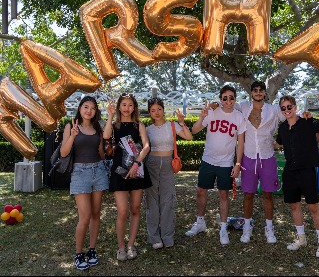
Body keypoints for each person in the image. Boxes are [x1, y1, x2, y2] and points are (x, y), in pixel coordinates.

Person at [274, 92, 319, 258]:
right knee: (294, 205)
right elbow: (278, 143)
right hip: (290, 171)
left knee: (313, 206)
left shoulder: (308, 121)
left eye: (289, 107)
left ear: (295, 107)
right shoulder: (282, 127)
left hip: (306, 169)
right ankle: (301, 239)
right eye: (283, 108)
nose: (287, 110)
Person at [185, 85, 246, 245]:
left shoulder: (239, 117)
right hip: (208, 160)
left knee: (224, 194)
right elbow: (195, 130)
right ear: (220, 99)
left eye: (231, 97)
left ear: (235, 98)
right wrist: (202, 116)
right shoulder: (212, 112)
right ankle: (200, 222)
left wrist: (238, 163)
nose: (228, 101)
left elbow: (241, 143)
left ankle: (224, 228)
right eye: (224, 98)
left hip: (226, 163)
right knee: (200, 190)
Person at [60, 96, 109, 271]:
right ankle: (78, 253)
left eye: (93, 108)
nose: (89, 110)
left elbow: (101, 152)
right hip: (80, 173)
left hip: (99, 172)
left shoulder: (97, 127)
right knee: (85, 216)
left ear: (96, 111)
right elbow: (64, 153)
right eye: (86, 107)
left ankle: (92, 250)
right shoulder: (70, 125)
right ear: (80, 108)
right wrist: (73, 136)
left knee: (96, 214)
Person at [103, 93, 152, 261]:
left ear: (134, 107)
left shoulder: (139, 125)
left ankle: (131, 245)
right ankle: (121, 247)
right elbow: (106, 136)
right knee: (123, 211)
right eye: (123, 104)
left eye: (130, 105)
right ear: (119, 107)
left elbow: (146, 146)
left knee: (135, 209)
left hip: (137, 170)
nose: (127, 108)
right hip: (119, 172)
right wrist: (110, 116)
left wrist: (137, 163)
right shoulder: (115, 125)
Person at [232, 81, 283, 244]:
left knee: (268, 194)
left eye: (261, 90)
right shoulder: (243, 107)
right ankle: (247, 228)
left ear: (265, 93)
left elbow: (289, 115)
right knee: (248, 194)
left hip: (267, 156)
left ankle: (269, 229)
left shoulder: (273, 109)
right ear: (251, 93)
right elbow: (227, 106)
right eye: (255, 90)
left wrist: (305, 115)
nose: (258, 93)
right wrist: (214, 105)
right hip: (248, 156)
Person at [145, 98, 193, 249]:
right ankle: (154, 237)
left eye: (159, 109)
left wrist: (181, 122)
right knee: (151, 201)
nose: (156, 113)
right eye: (153, 110)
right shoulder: (147, 129)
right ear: (150, 113)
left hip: (167, 164)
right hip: (151, 164)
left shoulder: (172, 125)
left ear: (163, 110)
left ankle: (167, 236)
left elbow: (189, 137)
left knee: (167, 200)